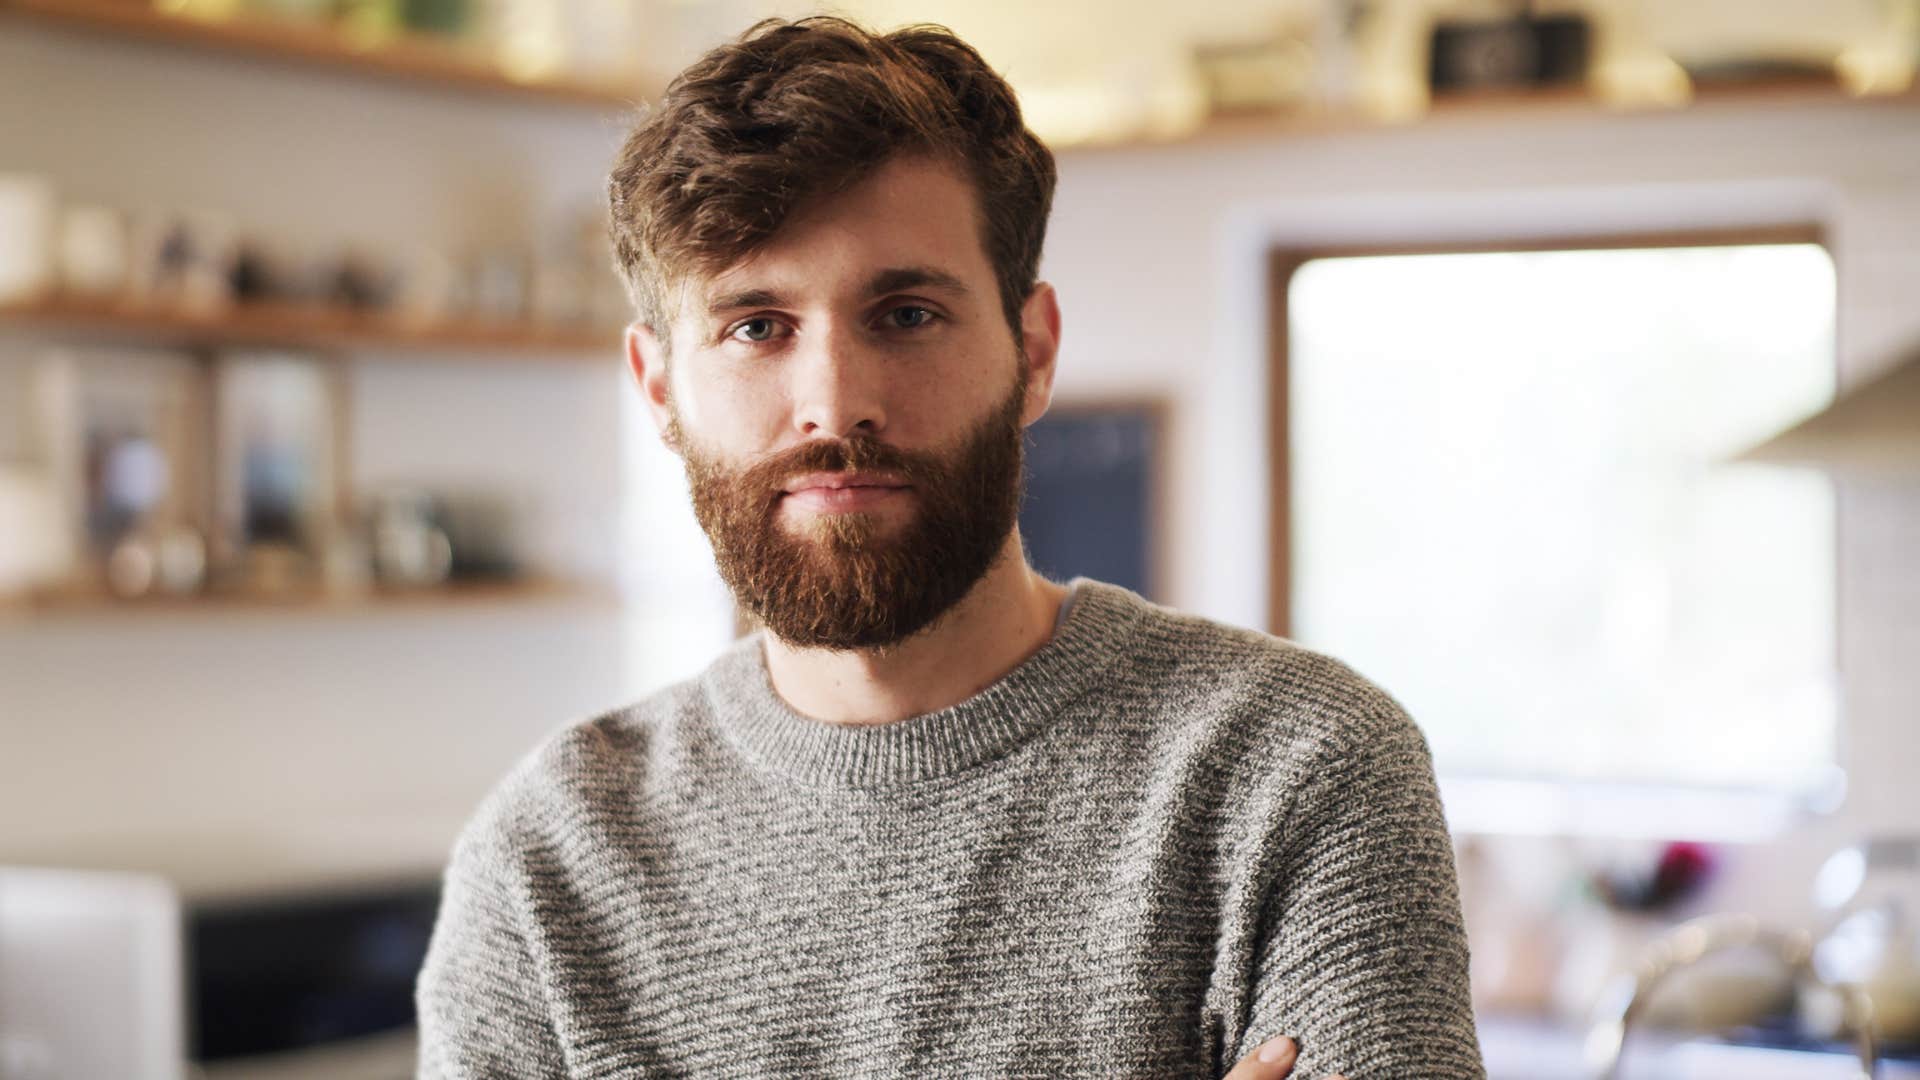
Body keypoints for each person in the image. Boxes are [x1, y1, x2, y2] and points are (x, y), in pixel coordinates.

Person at [414, 16, 1484, 1080]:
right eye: (755, 327)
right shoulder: (546, 863)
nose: (836, 401)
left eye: (907, 314)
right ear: (658, 389)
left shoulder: (1296, 772)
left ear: (1033, 352)